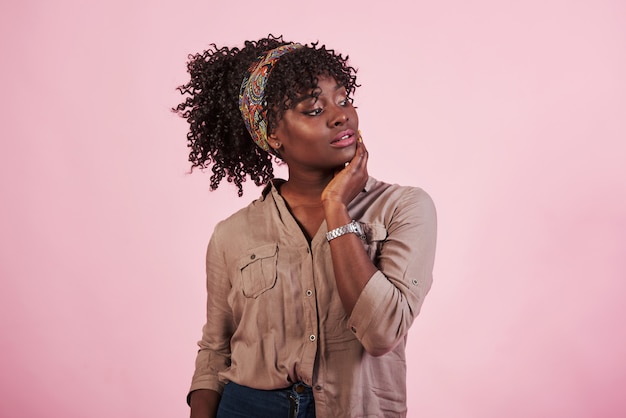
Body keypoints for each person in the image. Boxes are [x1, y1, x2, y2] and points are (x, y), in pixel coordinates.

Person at [174, 35, 437, 418]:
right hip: (247, 406)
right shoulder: (232, 233)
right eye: (314, 109)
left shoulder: (403, 208)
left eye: (343, 100)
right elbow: (216, 349)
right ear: (273, 134)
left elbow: (381, 333)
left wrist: (335, 207)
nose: (340, 115)